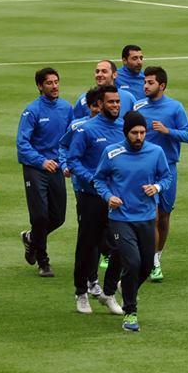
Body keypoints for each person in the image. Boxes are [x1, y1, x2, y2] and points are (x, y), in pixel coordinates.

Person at [93, 111, 171, 332]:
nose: (139, 137)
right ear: (125, 132)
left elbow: (166, 177)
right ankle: (130, 312)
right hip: (121, 218)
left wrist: (156, 187)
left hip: (147, 217)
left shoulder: (156, 152)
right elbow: (99, 179)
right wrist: (109, 197)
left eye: (142, 132)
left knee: (147, 265)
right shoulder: (112, 152)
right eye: (134, 133)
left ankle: (124, 286)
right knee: (133, 262)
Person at [67, 85, 126, 315]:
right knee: (87, 245)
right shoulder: (86, 130)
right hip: (91, 196)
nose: (115, 105)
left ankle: (109, 293)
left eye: (117, 101)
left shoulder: (123, 128)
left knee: (119, 246)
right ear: (100, 104)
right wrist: (92, 179)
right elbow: (73, 160)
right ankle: (81, 292)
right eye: (111, 102)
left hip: (115, 198)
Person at [133, 66, 188, 282]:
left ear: (162, 85)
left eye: (150, 82)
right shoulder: (138, 106)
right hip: (145, 169)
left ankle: (157, 255)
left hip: (168, 168)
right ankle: (152, 263)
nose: (145, 86)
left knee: (165, 216)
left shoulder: (175, 108)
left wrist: (168, 131)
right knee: (154, 215)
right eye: (145, 82)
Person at [16, 67, 72, 278]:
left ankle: (32, 238)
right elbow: (22, 144)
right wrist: (41, 161)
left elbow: (71, 139)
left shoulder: (67, 108)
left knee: (58, 217)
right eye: (49, 83)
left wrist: (66, 162)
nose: (54, 86)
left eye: (56, 82)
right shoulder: (32, 111)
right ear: (40, 86)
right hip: (36, 168)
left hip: (56, 167)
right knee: (40, 216)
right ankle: (43, 261)